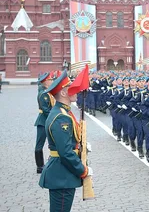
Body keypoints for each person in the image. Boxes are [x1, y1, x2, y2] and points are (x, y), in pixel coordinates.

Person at [39, 70, 93, 212]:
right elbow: (65, 152)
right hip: (61, 175)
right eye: (71, 88)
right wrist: (83, 170)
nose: (75, 90)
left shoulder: (64, 112)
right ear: (63, 93)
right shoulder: (61, 117)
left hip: (62, 174)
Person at [34, 72, 55, 173]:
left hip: (47, 120)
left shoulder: (47, 92)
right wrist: (55, 116)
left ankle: (51, 161)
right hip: (43, 121)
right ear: (45, 81)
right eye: (50, 80)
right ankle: (39, 166)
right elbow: (46, 110)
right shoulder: (43, 94)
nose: (52, 81)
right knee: (39, 144)